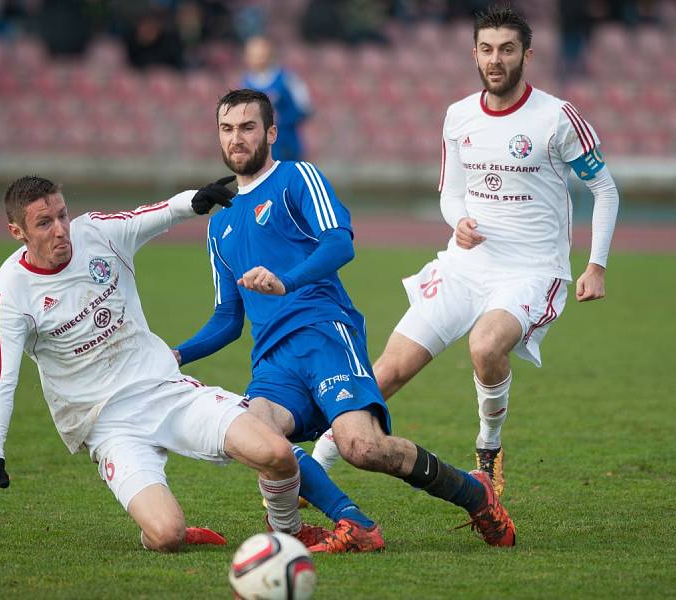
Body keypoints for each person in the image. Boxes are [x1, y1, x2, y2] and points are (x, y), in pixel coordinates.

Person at [174, 88, 516, 550]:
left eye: (248, 127)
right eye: (227, 128)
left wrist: (286, 281)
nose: (237, 138)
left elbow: (339, 243)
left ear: (271, 132)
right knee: (256, 436)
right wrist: (175, 354)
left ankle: (477, 495)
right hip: (272, 361)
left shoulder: (297, 177)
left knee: (363, 449)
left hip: (323, 332)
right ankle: (354, 523)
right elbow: (227, 319)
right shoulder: (219, 225)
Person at [312, 4, 620, 499]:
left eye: (506, 49)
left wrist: (596, 265)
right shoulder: (458, 116)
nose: (495, 59)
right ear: (474, 55)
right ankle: (316, 467)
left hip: (532, 270)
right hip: (463, 266)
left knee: (484, 345)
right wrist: (459, 221)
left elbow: (605, 190)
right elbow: (450, 192)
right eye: (486, 49)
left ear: (527, 55)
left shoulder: (558, 117)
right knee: (386, 372)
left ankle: (488, 447)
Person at [0, 175, 330, 553]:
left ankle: (288, 531)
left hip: (165, 390)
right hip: (107, 425)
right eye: (44, 223)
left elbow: (152, 215)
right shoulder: (8, 293)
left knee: (277, 454)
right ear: (17, 231)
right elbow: (1, 381)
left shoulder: (97, 233)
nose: (61, 230)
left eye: (63, 215)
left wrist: (194, 202)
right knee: (167, 536)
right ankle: (162, 527)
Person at [241, 36, 311, 162]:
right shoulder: (245, 84)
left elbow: (305, 108)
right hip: (259, 149)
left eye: (261, 54)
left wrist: (282, 119)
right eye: (254, 55)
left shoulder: (287, 79)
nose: (258, 59)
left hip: (286, 146)